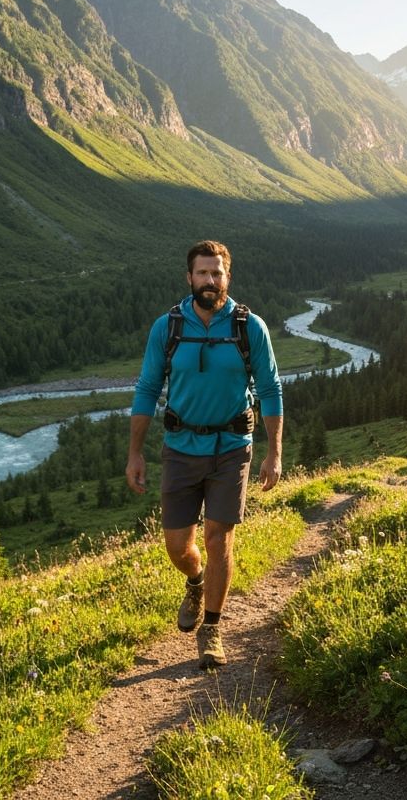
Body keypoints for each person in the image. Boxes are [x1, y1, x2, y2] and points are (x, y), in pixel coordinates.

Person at [126, 240, 283, 668]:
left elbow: (270, 388)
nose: (209, 281)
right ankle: (195, 581)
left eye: (217, 273)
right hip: (179, 448)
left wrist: (274, 453)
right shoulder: (168, 327)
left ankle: (211, 629)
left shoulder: (251, 328)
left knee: (219, 538)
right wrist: (135, 452)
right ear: (189, 277)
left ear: (227, 277)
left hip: (232, 448)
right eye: (202, 273)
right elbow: (146, 388)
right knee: (179, 546)